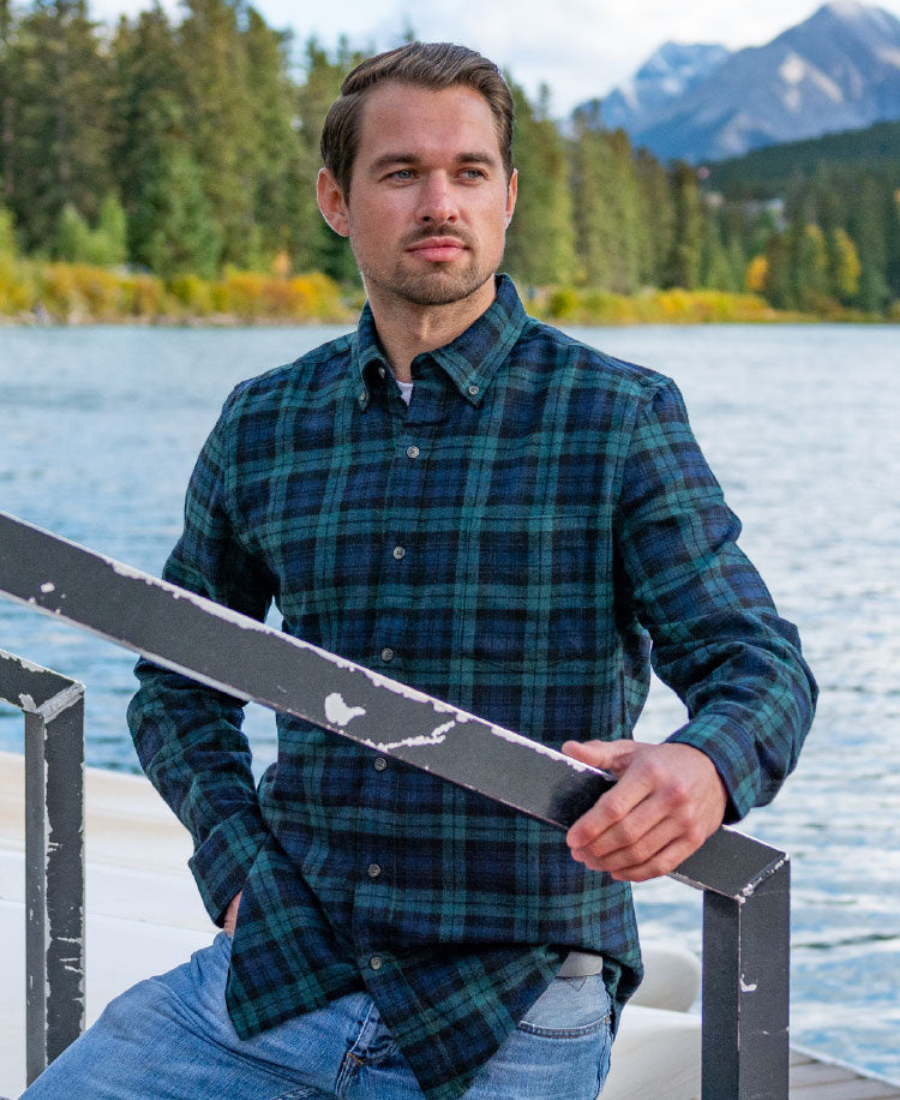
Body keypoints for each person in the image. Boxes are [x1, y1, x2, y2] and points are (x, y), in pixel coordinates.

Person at [20, 41, 816, 1100]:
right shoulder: (264, 423)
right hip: (281, 973)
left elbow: (759, 663)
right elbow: (177, 686)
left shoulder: (617, 416)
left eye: (469, 172)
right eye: (401, 172)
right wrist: (240, 873)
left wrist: (707, 766)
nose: (440, 202)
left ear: (508, 197)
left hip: (515, 1000)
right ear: (336, 201)